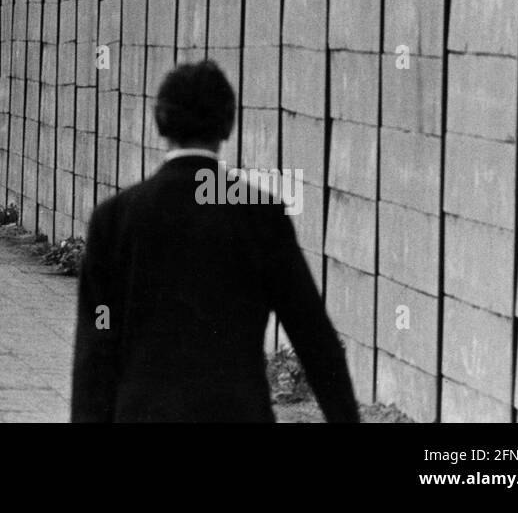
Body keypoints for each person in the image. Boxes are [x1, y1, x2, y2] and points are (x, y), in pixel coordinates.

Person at [71, 59, 359, 423]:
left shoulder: (114, 219)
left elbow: (97, 343)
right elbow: (312, 334)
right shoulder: (259, 215)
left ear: (160, 122)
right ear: (228, 125)